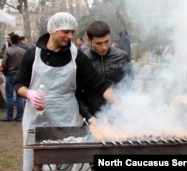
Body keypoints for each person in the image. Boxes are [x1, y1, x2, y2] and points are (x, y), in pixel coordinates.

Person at [13, 12, 120, 171]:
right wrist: (29, 93)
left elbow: (98, 84)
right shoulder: (32, 54)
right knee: (35, 156)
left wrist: (120, 104)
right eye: (65, 31)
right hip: (37, 114)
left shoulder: (77, 56)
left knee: (67, 157)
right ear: (52, 30)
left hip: (65, 114)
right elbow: (18, 84)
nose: (70, 36)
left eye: (72, 32)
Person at [76, 20, 132, 125]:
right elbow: (77, 95)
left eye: (106, 41)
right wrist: (89, 116)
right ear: (89, 40)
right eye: (98, 43)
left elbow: (130, 87)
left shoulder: (122, 56)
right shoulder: (82, 60)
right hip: (94, 118)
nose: (104, 47)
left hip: (119, 117)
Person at [0, 34, 25, 122]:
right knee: (19, 96)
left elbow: (4, 63)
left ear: (10, 40)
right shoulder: (23, 51)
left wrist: (5, 72)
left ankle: (9, 116)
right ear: (19, 41)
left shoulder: (8, 50)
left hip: (10, 75)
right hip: (20, 76)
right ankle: (19, 116)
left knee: (9, 96)